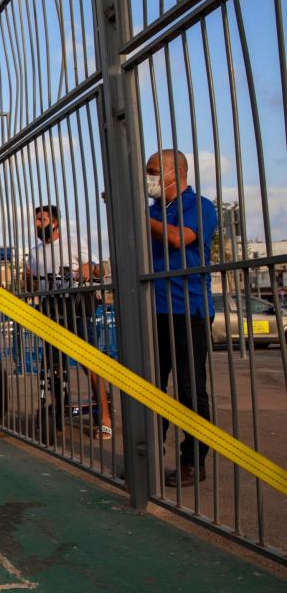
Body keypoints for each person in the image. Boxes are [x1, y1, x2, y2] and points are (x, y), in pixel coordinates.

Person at [146, 150, 217, 487]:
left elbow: (179, 238)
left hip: (188, 310)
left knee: (189, 390)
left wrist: (138, 216)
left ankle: (193, 462)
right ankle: (147, 456)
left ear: (175, 173)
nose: (148, 178)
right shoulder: (150, 212)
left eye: (153, 171)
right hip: (153, 312)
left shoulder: (200, 206)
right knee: (150, 389)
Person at [25, 204, 111, 441]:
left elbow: (97, 269)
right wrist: (28, 280)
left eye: (41, 220)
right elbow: (31, 284)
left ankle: (104, 416)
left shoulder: (73, 242)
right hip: (50, 308)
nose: (37, 225)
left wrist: (86, 268)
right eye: (35, 220)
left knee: (89, 361)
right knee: (52, 364)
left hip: (76, 306)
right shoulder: (34, 252)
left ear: (54, 223)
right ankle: (56, 407)